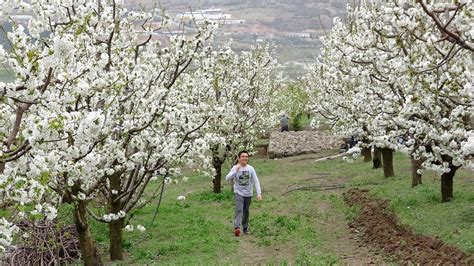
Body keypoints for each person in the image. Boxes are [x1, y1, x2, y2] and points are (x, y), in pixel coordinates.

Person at [225, 150, 262, 236]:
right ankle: (237, 227)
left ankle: (245, 228)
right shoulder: (235, 168)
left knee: (246, 211)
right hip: (239, 193)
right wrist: (235, 171)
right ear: (239, 158)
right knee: (239, 209)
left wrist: (259, 193)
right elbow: (227, 178)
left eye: (246, 156)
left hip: (249, 193)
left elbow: (256, 181)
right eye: (243, 156)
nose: (245, 158)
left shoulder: (251, 168)